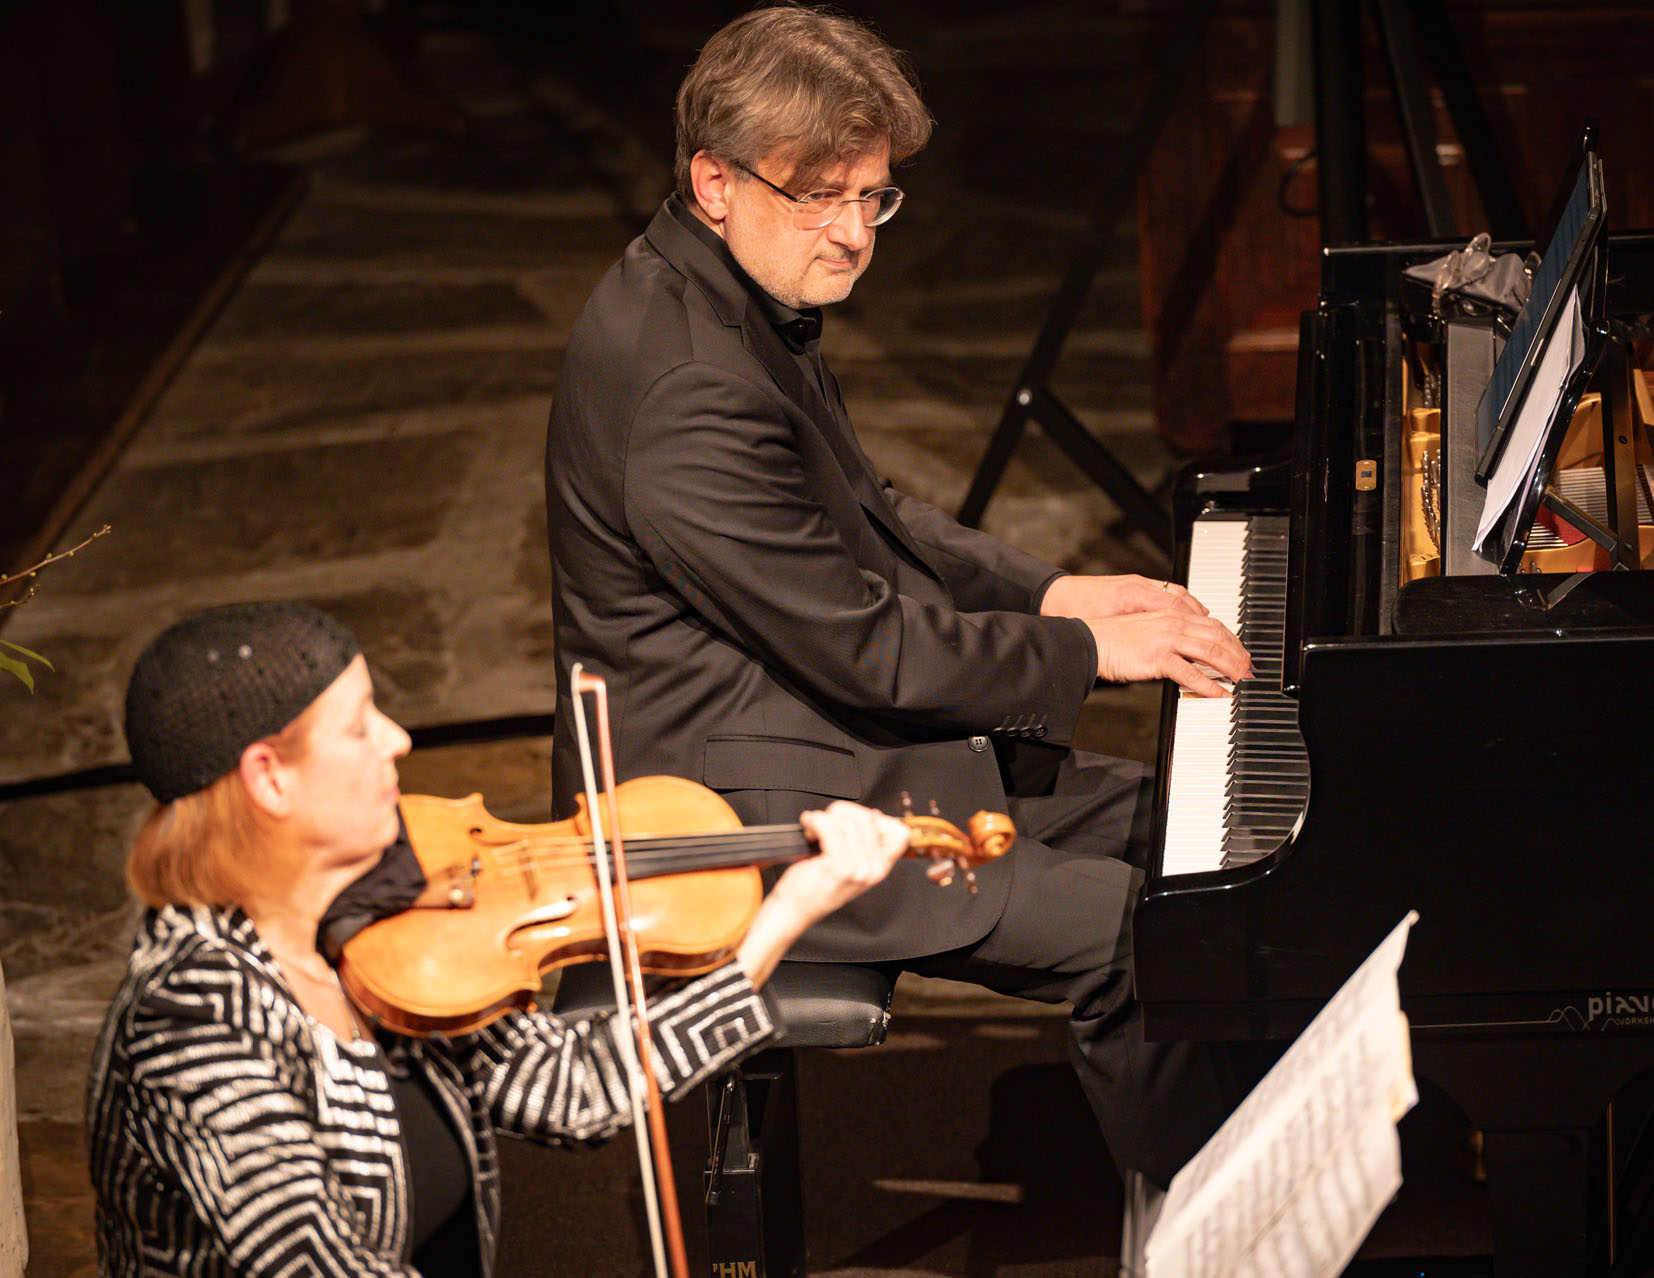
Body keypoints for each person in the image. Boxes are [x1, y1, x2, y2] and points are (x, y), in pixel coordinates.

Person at [545, 5, 1255, 1187]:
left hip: (814, 734)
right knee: (1143, 935)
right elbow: (868, 650)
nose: (853, 232)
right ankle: (1217, 1235)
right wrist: (1081, 649)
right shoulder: (686, 387)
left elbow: (869, 507)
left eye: (872, 195)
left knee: (1205, 829)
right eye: (820, 194)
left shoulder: (726, 293)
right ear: (714, 181)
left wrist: (1055, 584)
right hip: (742, 817)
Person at [86, 601, 913, 1277]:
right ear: (270, 777)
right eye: (358, 725)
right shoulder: (189, 1018)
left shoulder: (376, 924)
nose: (398, 740)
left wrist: (784, 916)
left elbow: (572, 1085)